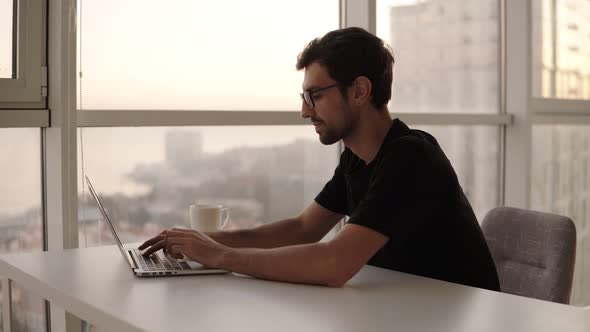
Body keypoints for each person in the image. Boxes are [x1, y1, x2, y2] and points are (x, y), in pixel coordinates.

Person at [140, 27, 500, 291]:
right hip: (405, 313)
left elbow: (334, 264)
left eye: (314, 95)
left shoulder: (411, 156)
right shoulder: (357, 159)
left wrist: (220, 257)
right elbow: (302, 228)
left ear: (359, 91)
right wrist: (200, 242)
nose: (304, 111)